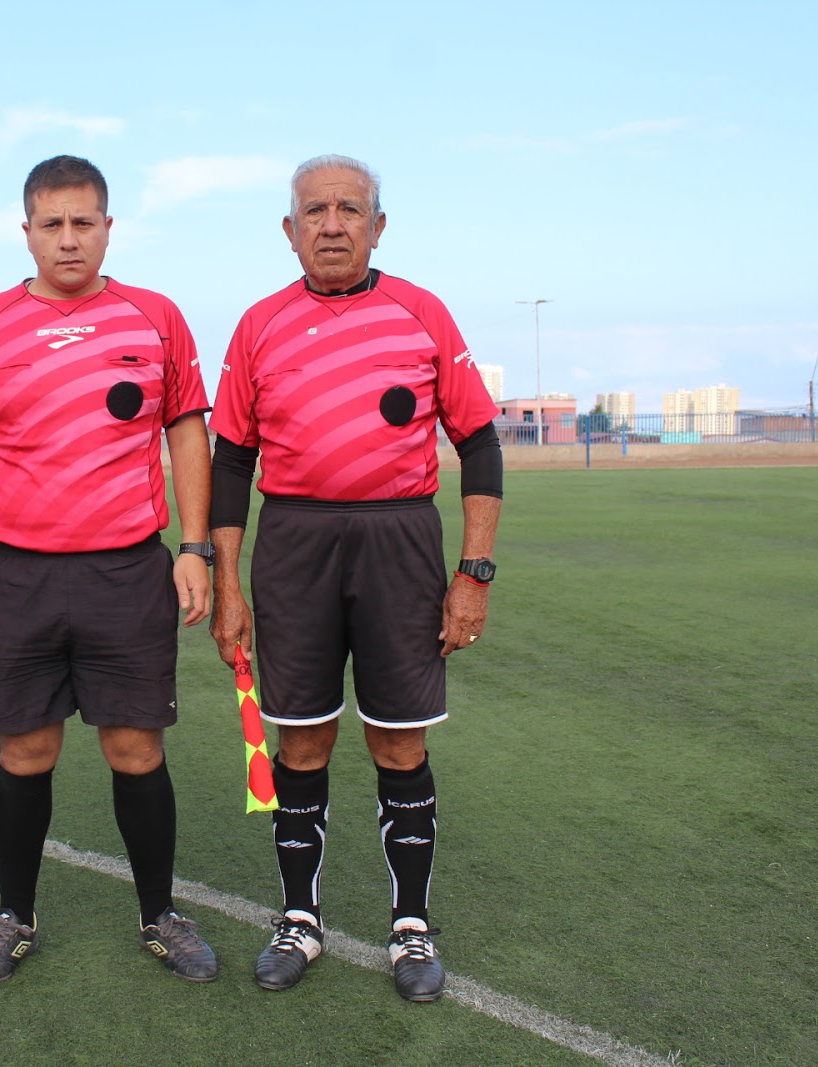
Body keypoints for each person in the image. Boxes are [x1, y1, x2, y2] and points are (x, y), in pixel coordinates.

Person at [208, 154, 504, 1002]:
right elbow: (232, 461)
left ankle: (410, 926)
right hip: (294, 542)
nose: (331, 224)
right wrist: (228, 584)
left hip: (398, 540)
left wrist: (473, 573)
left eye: (349, 209)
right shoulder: (259, 324)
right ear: (289, 229)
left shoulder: (422, 312)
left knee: (399, 740)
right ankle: (300, 919)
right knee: (301, 739)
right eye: (315, 210)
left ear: (379, 226)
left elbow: (479, 442)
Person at [0, 155, 218, 986]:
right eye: (51, 224)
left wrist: (195, 547)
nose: (67, 239)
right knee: (25, 751)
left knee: (135, 748)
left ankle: (159, 914)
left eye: (83, 222)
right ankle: (13, 916)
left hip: (127, 572)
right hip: (19, 575)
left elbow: (186, 431)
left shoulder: (156, 317)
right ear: (26, 231)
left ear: (108, 228)